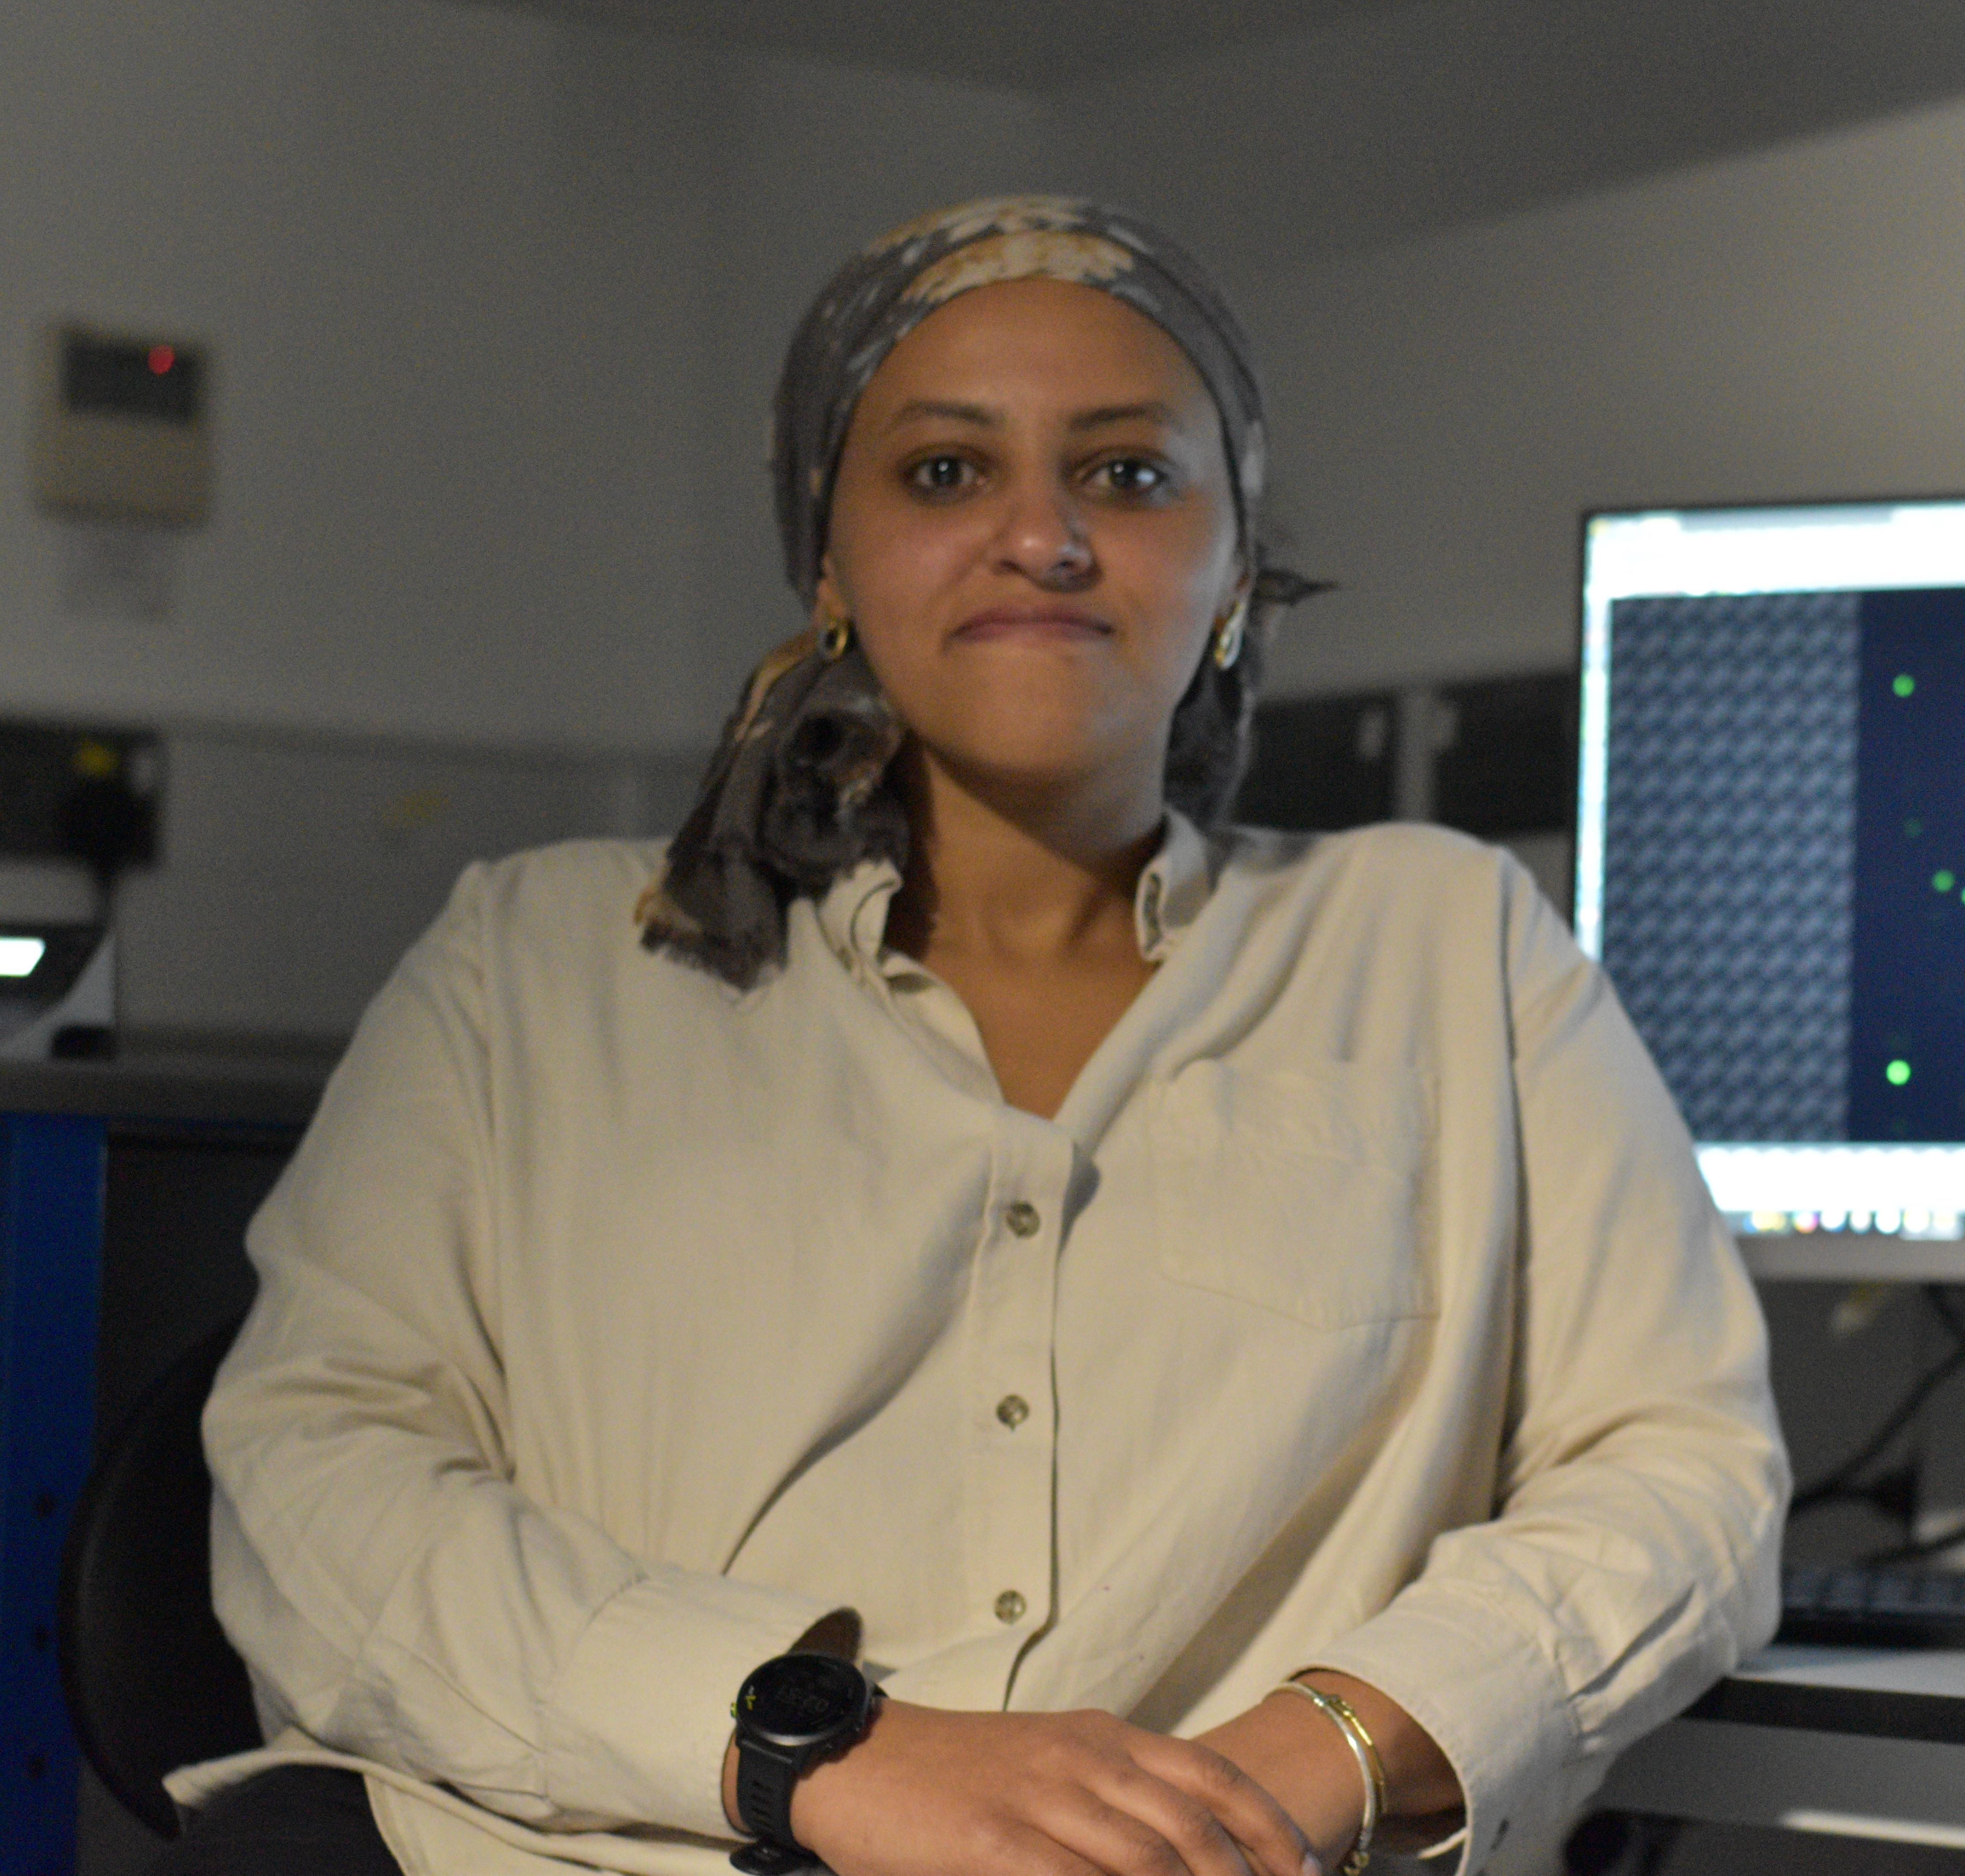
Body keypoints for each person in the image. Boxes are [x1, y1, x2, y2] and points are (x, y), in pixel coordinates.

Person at [163, 197, 1786, 1876]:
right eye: (945, 471)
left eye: (1129, 474)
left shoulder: (1452, 945)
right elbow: (319, 1479)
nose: (1043, 537)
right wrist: (818, 1754)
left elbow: (1680, 1466)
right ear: (827, 556)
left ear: (1234, 561)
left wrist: (1309, 1753)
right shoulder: (535, 962)